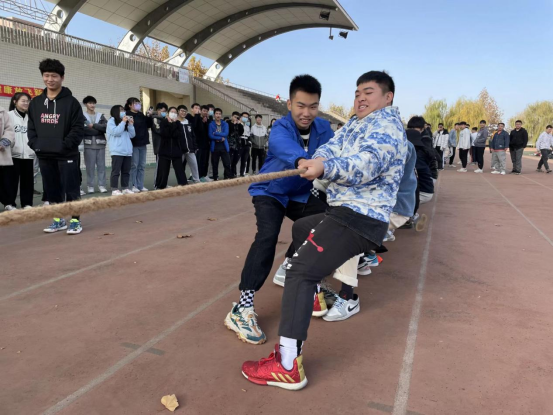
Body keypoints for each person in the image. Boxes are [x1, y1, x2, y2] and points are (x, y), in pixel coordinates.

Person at [241, 70, 407, 390]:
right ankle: (314, 292)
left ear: (387, 98)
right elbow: (331, 147)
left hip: (360, 216)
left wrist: (323, 167)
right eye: (357, 92)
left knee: (298, 272)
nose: (360, 98)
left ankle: (287, 364)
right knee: (303, 228)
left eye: (368, 92)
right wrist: (315, 160)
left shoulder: (386, 126)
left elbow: (367, 164)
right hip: (337, 209)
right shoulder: (355, 124)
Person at [224, 74, 333, 345]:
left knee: (326, 223)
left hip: (300, 192)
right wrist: (302, 160)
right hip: (270, 190)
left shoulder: (324, 128)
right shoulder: (281, 128)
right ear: (289, 104)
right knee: (267, 236)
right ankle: (242, 307)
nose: (306, 113)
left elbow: (335, 150)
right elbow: (282, 146)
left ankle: (289, 265)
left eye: (313, 106)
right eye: (301, 105)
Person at [27, 59, 84, 234]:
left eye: (54, 76)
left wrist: (64, 146)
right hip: (45, 154)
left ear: (62, 77)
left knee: (71, 188)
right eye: (46, 75)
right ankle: (58, 220)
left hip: (67, 154)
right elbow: (31, 127)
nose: (50, 79)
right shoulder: (36, 103)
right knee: (51, 188)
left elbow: (77, 129)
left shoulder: (72, 102)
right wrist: (36, 144)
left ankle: (75, 221)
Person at [4, 93, 34, 210]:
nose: (26, 103)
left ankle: (27, 204)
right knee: (11, 181)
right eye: (23, 101)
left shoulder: (31, 117)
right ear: (15, 102)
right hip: (12, 154)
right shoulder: (8, 115)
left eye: (28, 101)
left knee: (28, 180)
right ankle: (9, 204)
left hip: (28, 153)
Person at [155, 107, 188, 189]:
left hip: (176, 150)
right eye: (171, 112)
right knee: (163, 169)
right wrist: (170, 124)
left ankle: (183, 184)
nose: (173, 113)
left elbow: (177, 134)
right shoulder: (163, 122)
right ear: (168, 113)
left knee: (179, 169)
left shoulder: (179, 124)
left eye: (175, 112)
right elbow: (165, 133)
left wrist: (173, 124)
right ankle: (161, 185)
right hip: (164, 150)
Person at [126, 97, 152, 193]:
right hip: (133, 143)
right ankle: (133, 185)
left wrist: (149, 116)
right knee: (134, 165)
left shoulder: (141, 114)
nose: (138, 105)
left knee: (142, 165)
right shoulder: (127, 115)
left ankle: (140, 185)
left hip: (143, 142)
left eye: (138, 103)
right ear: (129, 105)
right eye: (135, 103)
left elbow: (149, 125)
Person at [107, 105, 135, 195]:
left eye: (123, 110)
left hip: (127, 151)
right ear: (115, 111)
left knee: (126, 171)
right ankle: (114, 189)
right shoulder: (111, 121)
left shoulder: (124, 123)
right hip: (117, 151)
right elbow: (116, 132)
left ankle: (125, 188)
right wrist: (123, 122)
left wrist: (130, 125)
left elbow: (132, 135)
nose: (123, 112)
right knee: (116, 171)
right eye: (121, 110)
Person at [82, 96, 107, 194]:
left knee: (101, 167)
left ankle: (102, 185)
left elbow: (106, 128)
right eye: (90, 103)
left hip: (100, 144)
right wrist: (98, 130)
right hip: (88, 145)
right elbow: (83, 129)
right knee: (90, 167)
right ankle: (90, 186)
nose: (92, 105)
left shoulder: (100, 116)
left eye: (93, 103)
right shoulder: (82, 116)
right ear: (85, 104)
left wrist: (94, 127)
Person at [406, 116, 435, 204]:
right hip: (425, 183)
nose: (412, 132)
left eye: (415, 129)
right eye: (410, 129)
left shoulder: (423, 143)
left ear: (422, 129)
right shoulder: (417, 147)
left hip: (424, 190)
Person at [177, 105, 200, 183]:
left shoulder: (188, 122)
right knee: (180, 167)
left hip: (190, 149)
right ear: (178, 111)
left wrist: (195, 146)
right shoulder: (175, 122)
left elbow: (192, 135)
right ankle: (182, 182)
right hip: (180, 149)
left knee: (194, 164)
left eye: (185, 111)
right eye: (182, 111)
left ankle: (197, 180)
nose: (183, 112)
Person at [208, 108, 232, 181]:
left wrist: (215, 133)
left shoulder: (225, 124)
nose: (218, 115)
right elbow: (210, 135)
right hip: (215, 146)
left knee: (227, 163)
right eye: (216, 113)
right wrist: (220, 138)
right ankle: (215, 177)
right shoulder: (211, 124)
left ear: (221, 115)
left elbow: (225, 134)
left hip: (224, 146)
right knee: (215, 164)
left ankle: (227, 177)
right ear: (214, 115)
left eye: (219, 114)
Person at [0, 105, 15, 211]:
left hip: (1, 150)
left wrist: (3, 142)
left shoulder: (2, 111)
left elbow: (9, 129)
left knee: (3, 181)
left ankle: (7, 203)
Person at [151, 102, 168, 183]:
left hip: (166, 146)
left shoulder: (165, 119)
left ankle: (163, 183)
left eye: (165, 111)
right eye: (163, 111)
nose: (164, 113)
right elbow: (158, 130)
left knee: (165, 166)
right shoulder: (155, 119)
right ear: (158, 110)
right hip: (159, 146)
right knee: (159, 166)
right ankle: (157, 184)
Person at [227, 111, 244, 178]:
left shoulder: (239, 124)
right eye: (235, 117)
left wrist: (239, 124)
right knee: (229, 160)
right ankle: (228, 174)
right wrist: (233, 124)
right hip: (230, 145)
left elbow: (241, 132)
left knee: (235, 160)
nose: (236, 118)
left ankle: (233, 173)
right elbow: (229, 132)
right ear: (232, 116)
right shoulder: (228, 123)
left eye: (237, 117)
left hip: (237, 145)